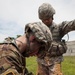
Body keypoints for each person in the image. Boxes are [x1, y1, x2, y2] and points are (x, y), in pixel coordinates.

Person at [36, 3, 75, 75]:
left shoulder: (59, 28)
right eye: (43, 20)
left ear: (52, 16)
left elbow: (71, 24)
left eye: (47, 19)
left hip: (55, 62)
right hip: (41, 62)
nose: (46, 21)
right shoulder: (38, 31)